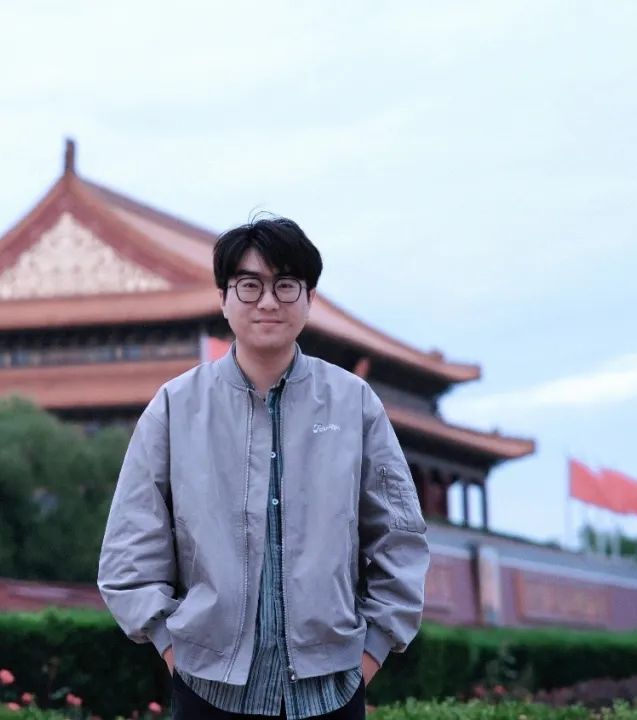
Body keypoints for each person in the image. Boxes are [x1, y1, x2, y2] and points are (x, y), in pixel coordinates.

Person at [97, 216, 430, 720]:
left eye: (286, 285)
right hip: (208, 689)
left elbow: (399, 536)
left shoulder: (354, 403)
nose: (268, 301)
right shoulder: (175, 407)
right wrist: (170, 646)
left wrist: (371, 652)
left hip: (332, 689)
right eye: (249, 285)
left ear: (309, 298)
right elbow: (130, 544)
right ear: (223, 298)